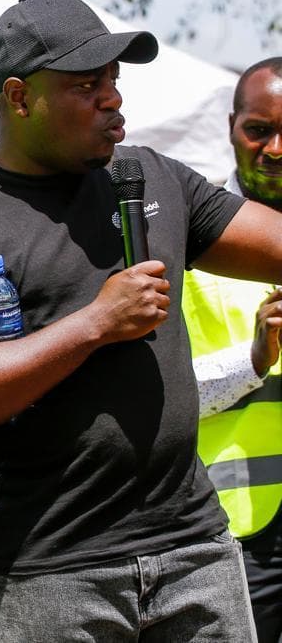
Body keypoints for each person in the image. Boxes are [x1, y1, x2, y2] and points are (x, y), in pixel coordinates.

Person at [0, 0, 282, 641]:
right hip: (48, 570)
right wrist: (95, 323)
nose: (113, 99)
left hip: (192, 548)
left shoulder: (153, 179)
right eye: (86, 84)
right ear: (18, 98)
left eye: (113, 80)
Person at [184, 57, 282, 641]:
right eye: (258, 129)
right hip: (232, 533)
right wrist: (252, 359)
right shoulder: (192, 238)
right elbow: (161, 396)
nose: (275, 148)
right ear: (230, 128)